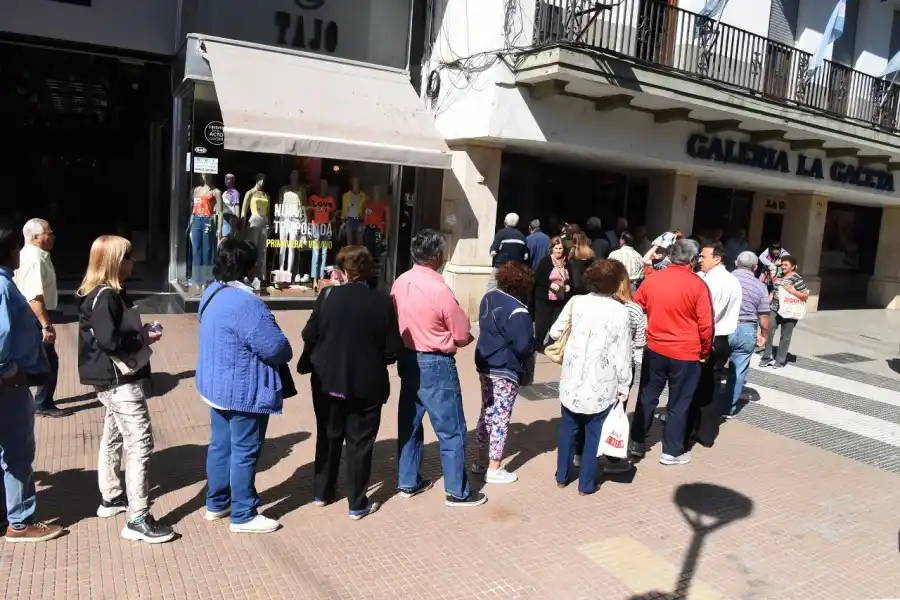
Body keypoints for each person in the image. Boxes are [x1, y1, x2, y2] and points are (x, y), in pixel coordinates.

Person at [77, 235, 173, 543]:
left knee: (113, 434)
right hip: (119, 381)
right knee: (140, 444)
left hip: (110, 381)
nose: (133, 261)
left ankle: (111, 496)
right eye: (129, 256)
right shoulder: (105, 296)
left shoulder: (101, 292)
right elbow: (110, 342)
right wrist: (143, 337)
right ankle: (138, 517)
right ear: (116, 261)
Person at [197, 238, 293, 534]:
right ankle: (243, 513)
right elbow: (277, 348)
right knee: (244, 451)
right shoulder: (247, 304)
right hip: (243, 391)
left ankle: (216, 503)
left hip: (216, 386)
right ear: (249, 266)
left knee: (220, 446)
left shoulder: (211, 292)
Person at [302, 245, 402, 519]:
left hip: (327, 379)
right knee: (360, 443)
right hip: (366, 383)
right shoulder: (382, 301)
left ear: (343, 270)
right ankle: (356, 504)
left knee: (328, 435)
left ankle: (322, 492)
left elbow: (308, 333)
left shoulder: (328, 296)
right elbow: (392, 350)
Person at [392, 229, 486, 508]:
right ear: (436, 256)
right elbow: (460, 333)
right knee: (452, 429)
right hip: (435, 361)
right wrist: (462, 338)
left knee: (409, 423)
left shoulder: (400, 281)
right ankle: (457, 490)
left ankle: (408, 481)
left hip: (408, 357)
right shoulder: (439, 288)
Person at [0, 222, 65, 542]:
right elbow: (1, 338)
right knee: (16, 452)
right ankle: (21, 521)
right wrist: (9, 371)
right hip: (7, 387)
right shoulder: (2, 287)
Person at [549, 260, 632, 495]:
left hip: (573, 376)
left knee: (568, 427)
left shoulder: (577, 302)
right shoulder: (620, 311)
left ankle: (561, 476)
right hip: (602, 380)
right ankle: (586, 484)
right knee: (595, 432)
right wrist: (625, 383)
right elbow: (622, 353)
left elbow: (555, 331)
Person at [630, 240, 713, 466]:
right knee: (679, 403)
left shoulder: (654, 278)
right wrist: (705, 350)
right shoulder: (697, 285)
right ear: (693, 259)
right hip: (686, 352)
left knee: (647, 397)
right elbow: (706, 324)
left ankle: (636, 442)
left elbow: (637, 306)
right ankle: (671, 451)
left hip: (656, 347)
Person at [574, 260, 646, 473]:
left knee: (585, 410)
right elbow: (640, 342)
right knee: (615, 413)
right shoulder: (632, 310)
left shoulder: (588, 303)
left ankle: (580, 452)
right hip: (620, 368)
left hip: (591, 362)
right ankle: (612, 459)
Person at [473, 262, 535, 484]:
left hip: (486, 363)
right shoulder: (518, 310)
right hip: (505, 367)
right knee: (501, 416)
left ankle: (479, 460)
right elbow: (523, 345)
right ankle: (494, 468)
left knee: (486, 412)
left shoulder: (488, 298)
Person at [14, 218, 69, 417]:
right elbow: (34, 297)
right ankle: (42, 403)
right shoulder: (34, 259)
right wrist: (46, 325)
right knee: (48, 360)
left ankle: (35, 400)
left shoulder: (36, 255)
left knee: (37, 358)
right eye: (49, 233)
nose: (52, 236)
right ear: (36, 237)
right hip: (34, 317)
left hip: (30, 317)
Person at [690, 242, 742, 449]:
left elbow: (707, 314)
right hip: (722, 339)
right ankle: (706, 432)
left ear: (717, 259)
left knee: (697, 386)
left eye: (703, 256)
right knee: (711, 387)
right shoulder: (733, 280)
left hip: (709, 336)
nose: (700, 259)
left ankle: (694, 430)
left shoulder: (711, 281)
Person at [723, 251, 771, 418]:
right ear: (756, 267)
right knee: (738, 371)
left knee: (713, 367)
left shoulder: (725, 279)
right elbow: (764, 315)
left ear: (736, 262)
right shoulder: (760, 286)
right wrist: (764, 334)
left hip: (723, 327)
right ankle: (727, 408)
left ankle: (707, 404)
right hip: (746, 329)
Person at [761, 254, 808, 369]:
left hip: (789, 312)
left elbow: (805, 296)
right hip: (775, 309)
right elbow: (775, 290)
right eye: (782, 264)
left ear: (793, 267)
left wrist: (792, 291)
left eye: (786, 265)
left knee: (785, 336)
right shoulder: (780, 276)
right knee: (768, 331)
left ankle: (780, 360)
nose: (783, 267)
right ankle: (766, 356)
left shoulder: (797, 279)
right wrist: (769, 298)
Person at [533, 236, 569, 350]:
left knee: (556, 323)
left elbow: (570, 277)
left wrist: (568, 285)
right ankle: (538, 345)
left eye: (560, 248)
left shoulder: (566, 262)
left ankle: (550, 345)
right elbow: (538, 277)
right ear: (552, 249)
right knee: (543, 322)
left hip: (560, 298)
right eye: (556, 248)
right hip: (545, 297)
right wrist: (550, 284)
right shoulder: (546, 261)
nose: (558, 251)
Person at [487, 213, 528, 291]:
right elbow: (525, 256)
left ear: (505, 222)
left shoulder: (501, 233)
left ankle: (488, 303)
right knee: (510, 290)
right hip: (516, 268)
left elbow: (493, 252)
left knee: (492, 288)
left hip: (501, 266)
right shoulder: (522, 236)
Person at [567, 232, 595, 296]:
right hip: (589, 285)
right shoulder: (590, 251)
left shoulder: (575, 252)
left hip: (578, 284)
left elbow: (569, 261)